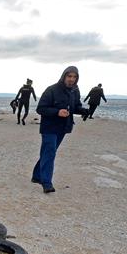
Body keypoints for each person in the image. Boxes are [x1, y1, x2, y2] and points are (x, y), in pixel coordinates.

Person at [31, 66, 88, 194]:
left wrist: (83, 110)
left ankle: (36, 176)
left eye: (74, 77)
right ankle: (47, 183)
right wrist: (57, 112)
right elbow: (40, 109)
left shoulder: (75, 91)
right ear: (64, 76)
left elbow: (75, 106)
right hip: (49, 127)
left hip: (63, 128)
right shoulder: (52, 90)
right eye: (69, 76)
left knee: (48, 152)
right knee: (50, 152)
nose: (71, 79)